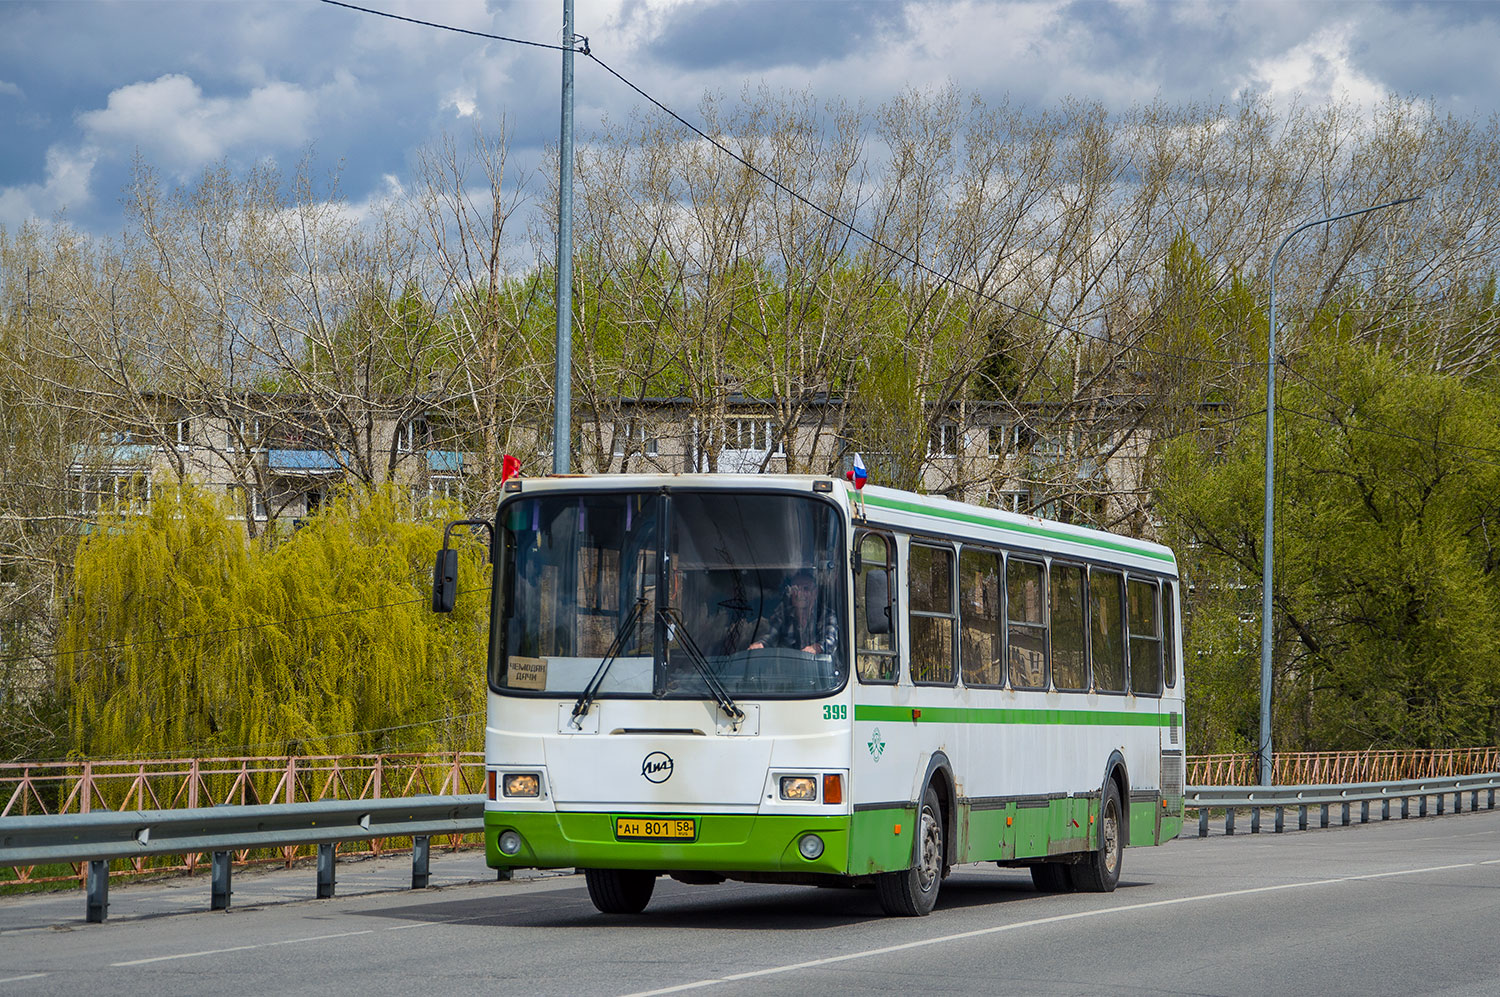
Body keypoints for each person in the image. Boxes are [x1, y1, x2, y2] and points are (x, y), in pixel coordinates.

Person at [748, 569, 838, 656]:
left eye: (806, 588)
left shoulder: (827, 615)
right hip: (787, 668)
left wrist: (816, 648)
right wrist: (760, 645)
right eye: (795, 589)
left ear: (815, 593)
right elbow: (771, 636)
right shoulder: (783, 613)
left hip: (815, 669)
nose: (799, 594)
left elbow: (830, 640)